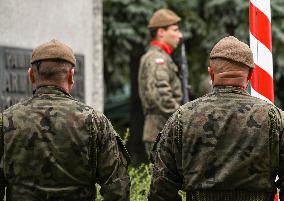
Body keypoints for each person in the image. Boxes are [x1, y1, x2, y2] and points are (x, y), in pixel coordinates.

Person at [148, 36, 284, 201]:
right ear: (251, 75)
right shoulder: (274, 118)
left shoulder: (182, 117)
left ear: (211, 74)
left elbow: (161, 188)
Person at [0, 39, 130, 201]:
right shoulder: (94, 121)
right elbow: (117, 187)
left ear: (31, 75)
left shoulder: (6, 120)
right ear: (71, 76)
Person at [138, 8, 183, 157]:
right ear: (161, 32)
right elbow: (161, 96)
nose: (179, 35)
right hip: (162, 131)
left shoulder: (161, 57)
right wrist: (184, 118)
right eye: (175, 30)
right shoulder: (158, 59)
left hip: (164, 130)